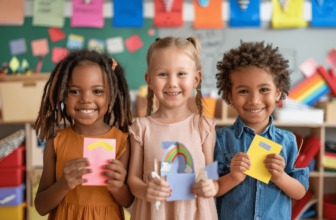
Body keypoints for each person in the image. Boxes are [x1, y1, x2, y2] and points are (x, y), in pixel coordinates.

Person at [34, 49, 134, 220]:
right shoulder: (55, 142)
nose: (85, 99)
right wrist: (63, 185)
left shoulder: (122, 142)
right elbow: (41, 207)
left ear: (111, 96)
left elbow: (128, 202)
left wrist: (118, 187)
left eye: (97, 91)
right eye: (75, 91)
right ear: (63, 95)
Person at [214, 41, 309, 220]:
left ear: (277, 93)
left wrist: (280, 177)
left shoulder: (289, 142)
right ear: (229, 95)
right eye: (243, 91)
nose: (254, 101)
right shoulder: (219, 140)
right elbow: (211, 189)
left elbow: (300, 192)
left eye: (264, 89)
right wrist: (233, 177)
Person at [127, 36, 218, 220]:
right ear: (149, 80)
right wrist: (145, 190)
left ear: (196, 79)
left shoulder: (204, 126)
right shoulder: (141, 128)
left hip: (196, 214)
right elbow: (132, 179)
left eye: (181, 74)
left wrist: (212, 186)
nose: (172, 83)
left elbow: (212, 174)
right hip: (154, 213)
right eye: (163, 74)